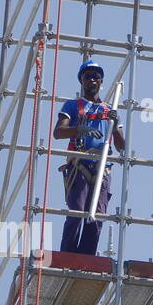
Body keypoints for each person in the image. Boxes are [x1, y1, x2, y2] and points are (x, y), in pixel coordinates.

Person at [53, 61, 124, 255]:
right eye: (87, 77)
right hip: (80, 162)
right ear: (81, 81)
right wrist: (80, 129)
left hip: (102, 167)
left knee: (97, 215)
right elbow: (58, 132)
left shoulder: (110, 110)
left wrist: (115, 124)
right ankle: (67, 255)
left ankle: (86, 258)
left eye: (95, 76)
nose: (92, 80)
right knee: (76, 211)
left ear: (101, 81)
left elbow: (121, 146)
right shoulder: (74, 105)